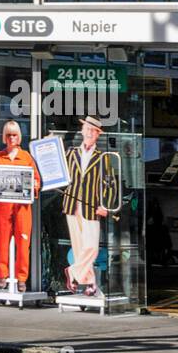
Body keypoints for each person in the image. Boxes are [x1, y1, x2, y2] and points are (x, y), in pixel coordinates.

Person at [62, 114, 118, 298]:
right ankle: (90, 284)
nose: (88, 133)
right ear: (82, 131)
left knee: (91, 247)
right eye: (86, 129)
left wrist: (106, 206)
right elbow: (59, 171)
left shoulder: (102, 157)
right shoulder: (71, 153)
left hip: (91, 207)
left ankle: (73, 272)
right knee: (79, 248)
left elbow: (110, 184)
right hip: (72, 204)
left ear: (97, 135)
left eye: (92, 131)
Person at [0, 121, 40, 292]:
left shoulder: (26, 157)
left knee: (23, 242)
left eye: (14, 134)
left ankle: (21, 278)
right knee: (3, 242)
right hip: (2, 207)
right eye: (8, 135)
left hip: (22, 208)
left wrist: (34, 186)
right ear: (5, 137)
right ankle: (2, 275)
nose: (11, 138)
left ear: (19, 136)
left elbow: (36, 180)